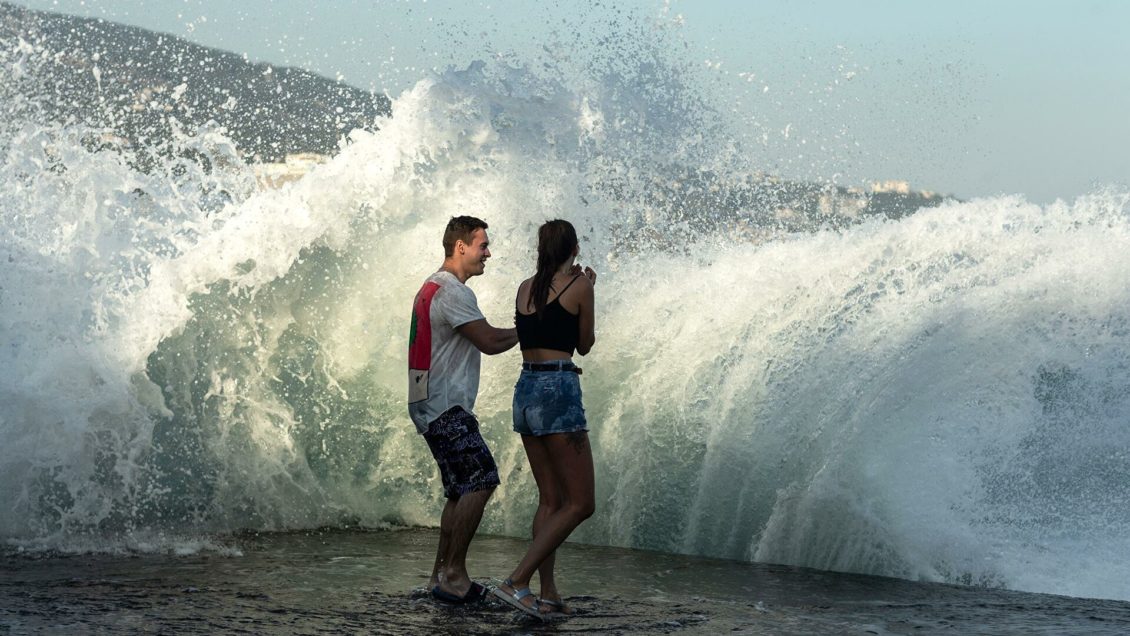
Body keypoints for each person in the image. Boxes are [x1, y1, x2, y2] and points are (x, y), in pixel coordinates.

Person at [408, 215, 518, 604]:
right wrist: (533, 329)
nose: (488, 253)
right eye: (482, 245)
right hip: (444, 404)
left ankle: (439, 575)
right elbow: (488, 340)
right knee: (483, 477)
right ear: (461, 247)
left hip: (427, 403)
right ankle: (454, 573)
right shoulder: (453, 291)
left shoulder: (430, 286)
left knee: (459, 490)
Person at [491, 219, 597, 619]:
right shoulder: (580, 286)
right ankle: (517, 581)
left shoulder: (524, 288)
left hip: (525, 391)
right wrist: (588, 292)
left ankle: (548, 591)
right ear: (574, 246)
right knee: (581, 503)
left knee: (551, 499)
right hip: (557, 390)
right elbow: (583, 346)